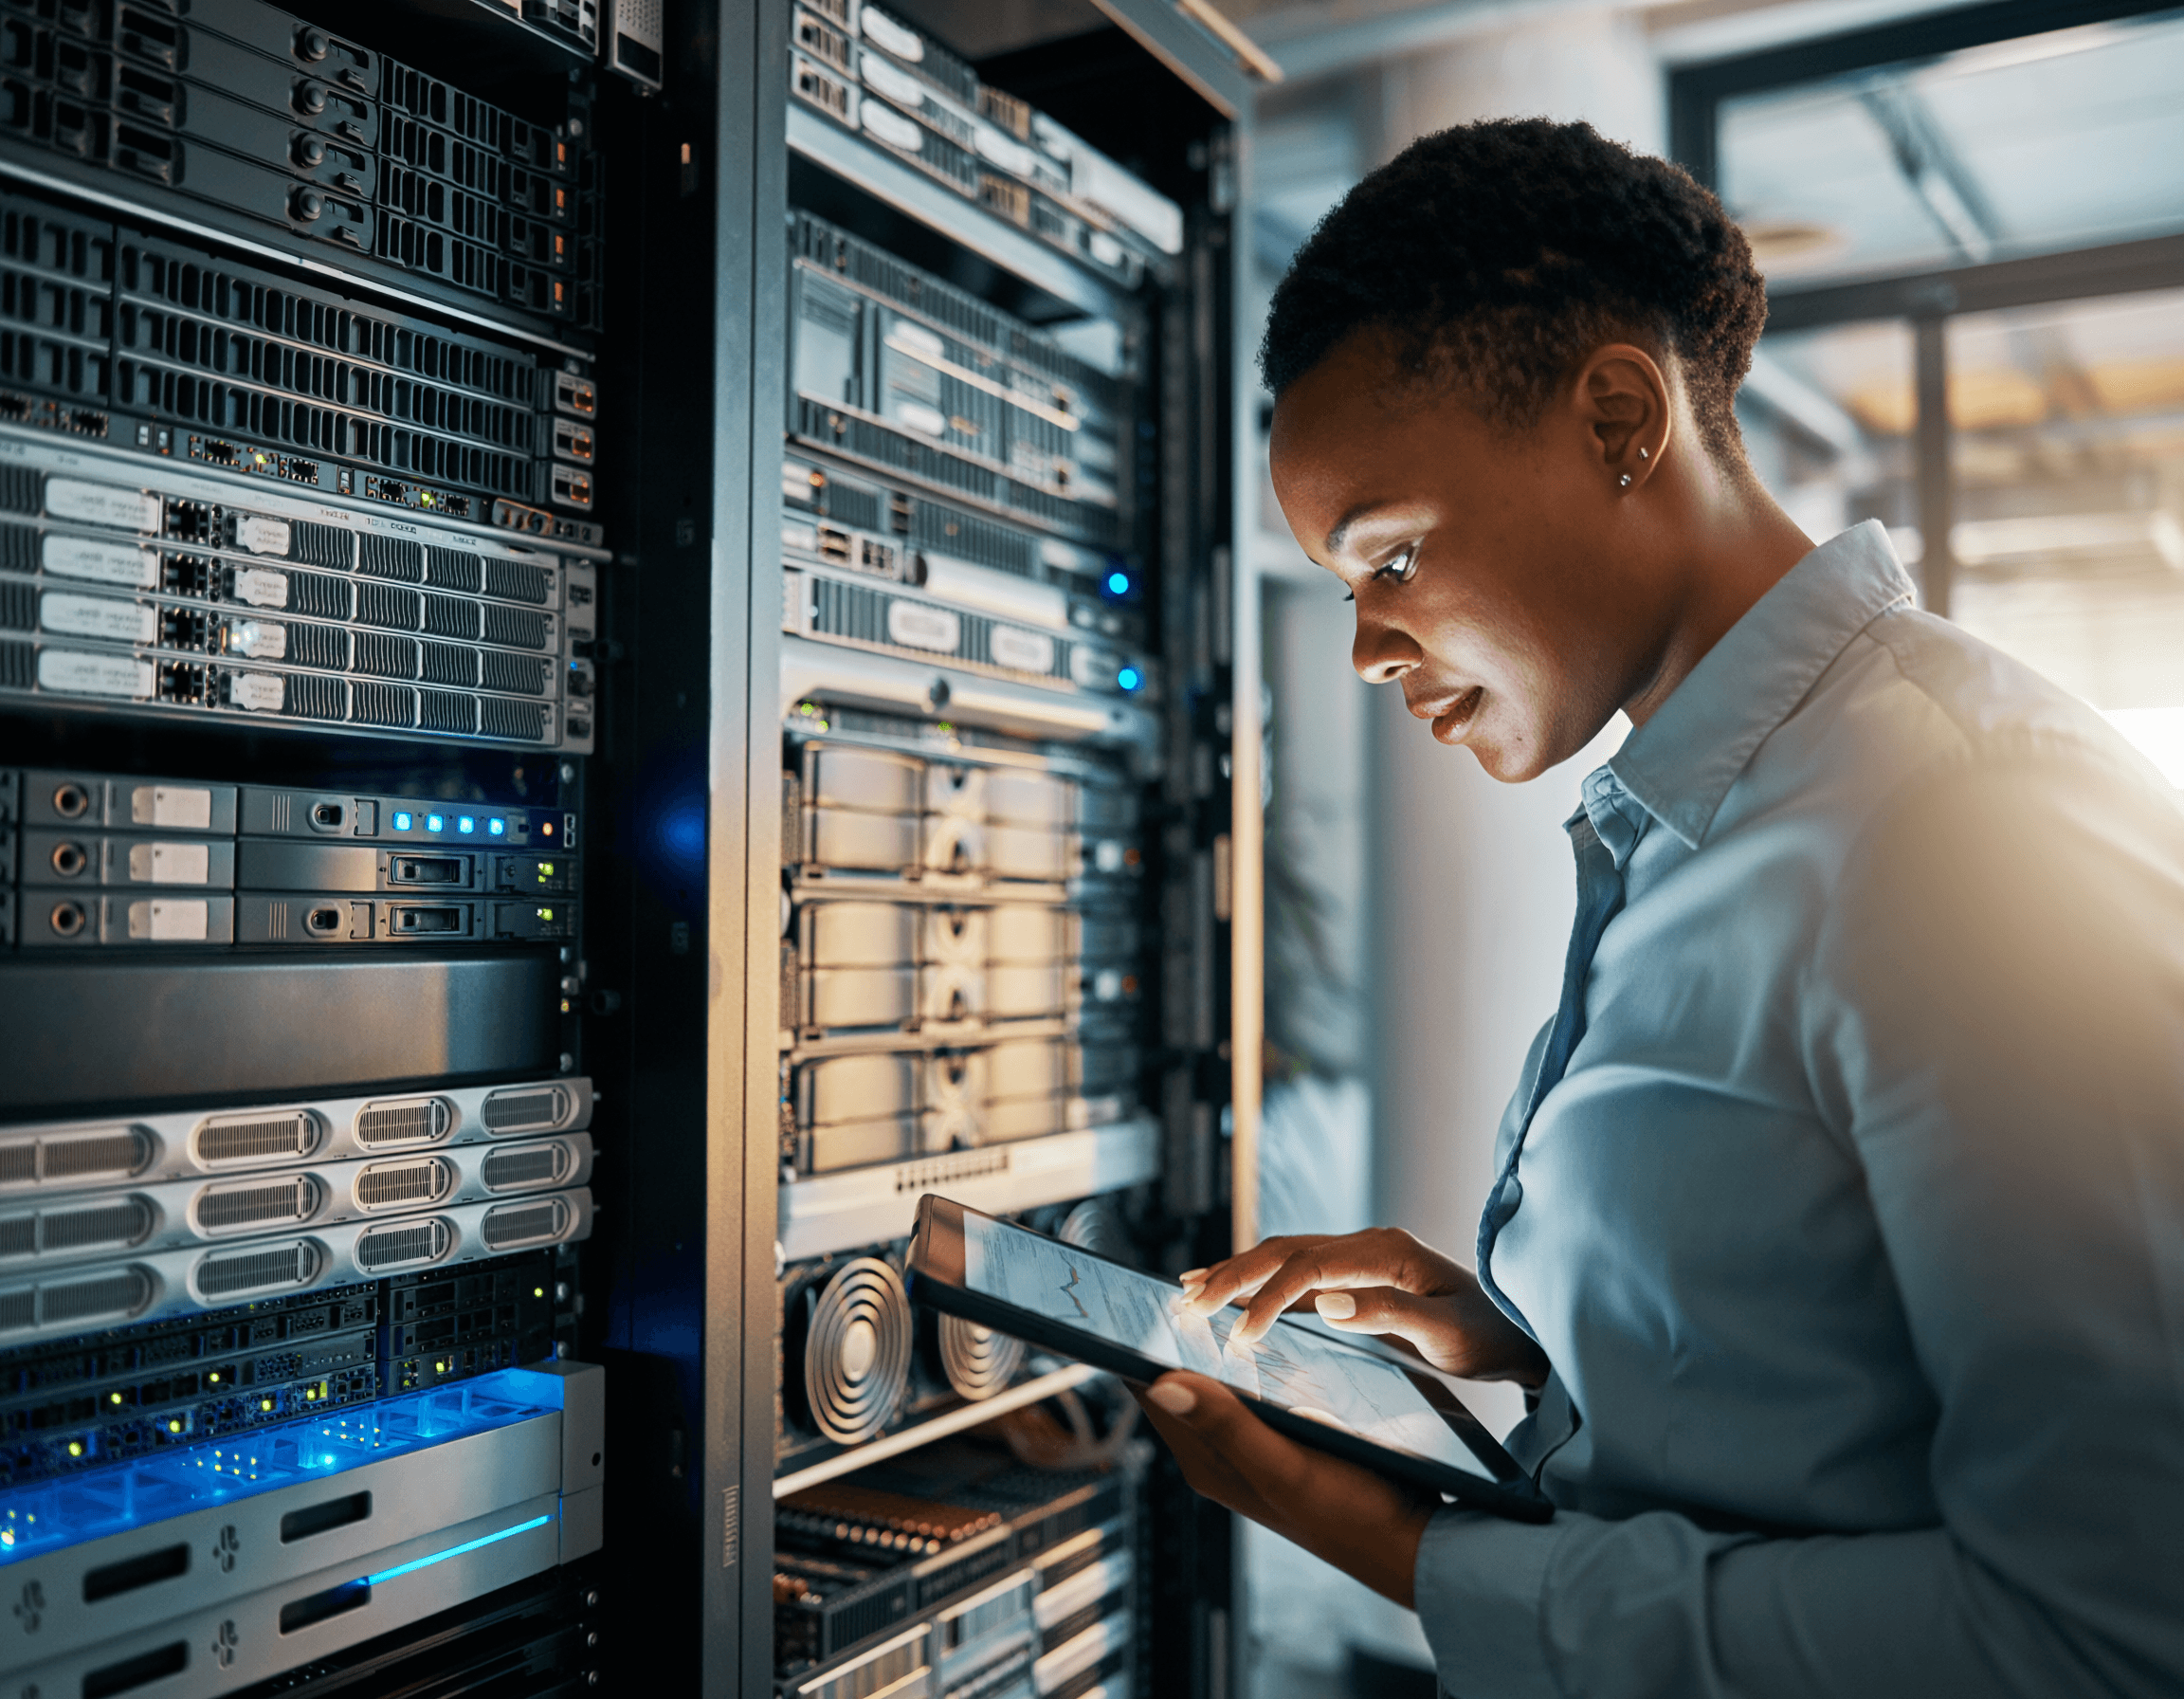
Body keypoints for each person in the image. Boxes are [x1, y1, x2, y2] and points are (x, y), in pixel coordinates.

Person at [1135, 118, 2184, 1696]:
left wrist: (1415, 1559)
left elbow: (2110, 1634)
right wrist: (1532, 1337)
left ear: (1619, 421)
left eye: (1394, 557)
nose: (1363, 649)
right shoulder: (1700, 816)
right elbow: (1843, 1379)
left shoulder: (1970, 829)